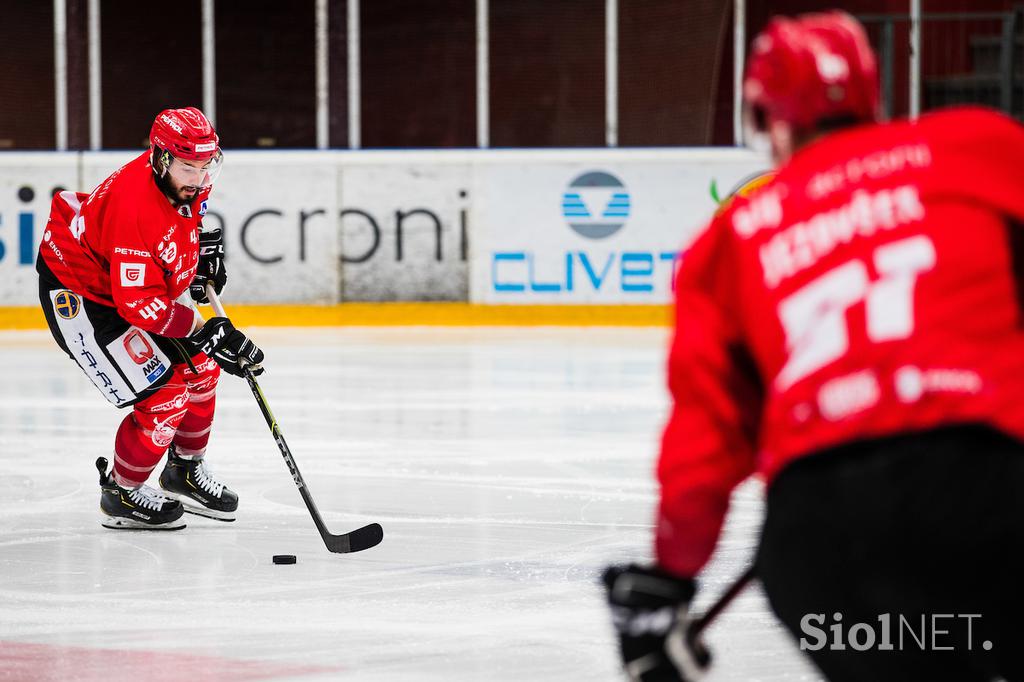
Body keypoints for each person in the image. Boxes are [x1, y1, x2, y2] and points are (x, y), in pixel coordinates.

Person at [603, 10, 1024, 682]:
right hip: (990, 500)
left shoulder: (731, 239)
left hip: (821, 552)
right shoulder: (976, 149)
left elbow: (704, 440)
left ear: (772, 120)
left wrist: (669, 583)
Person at [37, 106, 265, 531]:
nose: (198, 178)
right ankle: (122, 491)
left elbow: (177, 229)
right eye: (187, 166)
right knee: (165, 398)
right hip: (84, 294)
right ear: (161, 157)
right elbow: (138, 306)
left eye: (205, 165)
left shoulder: (182, 181)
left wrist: (195, 262)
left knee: (203, 371)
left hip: (120, 282)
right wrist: (208, 330)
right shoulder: (134, 207)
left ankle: (182, 472)